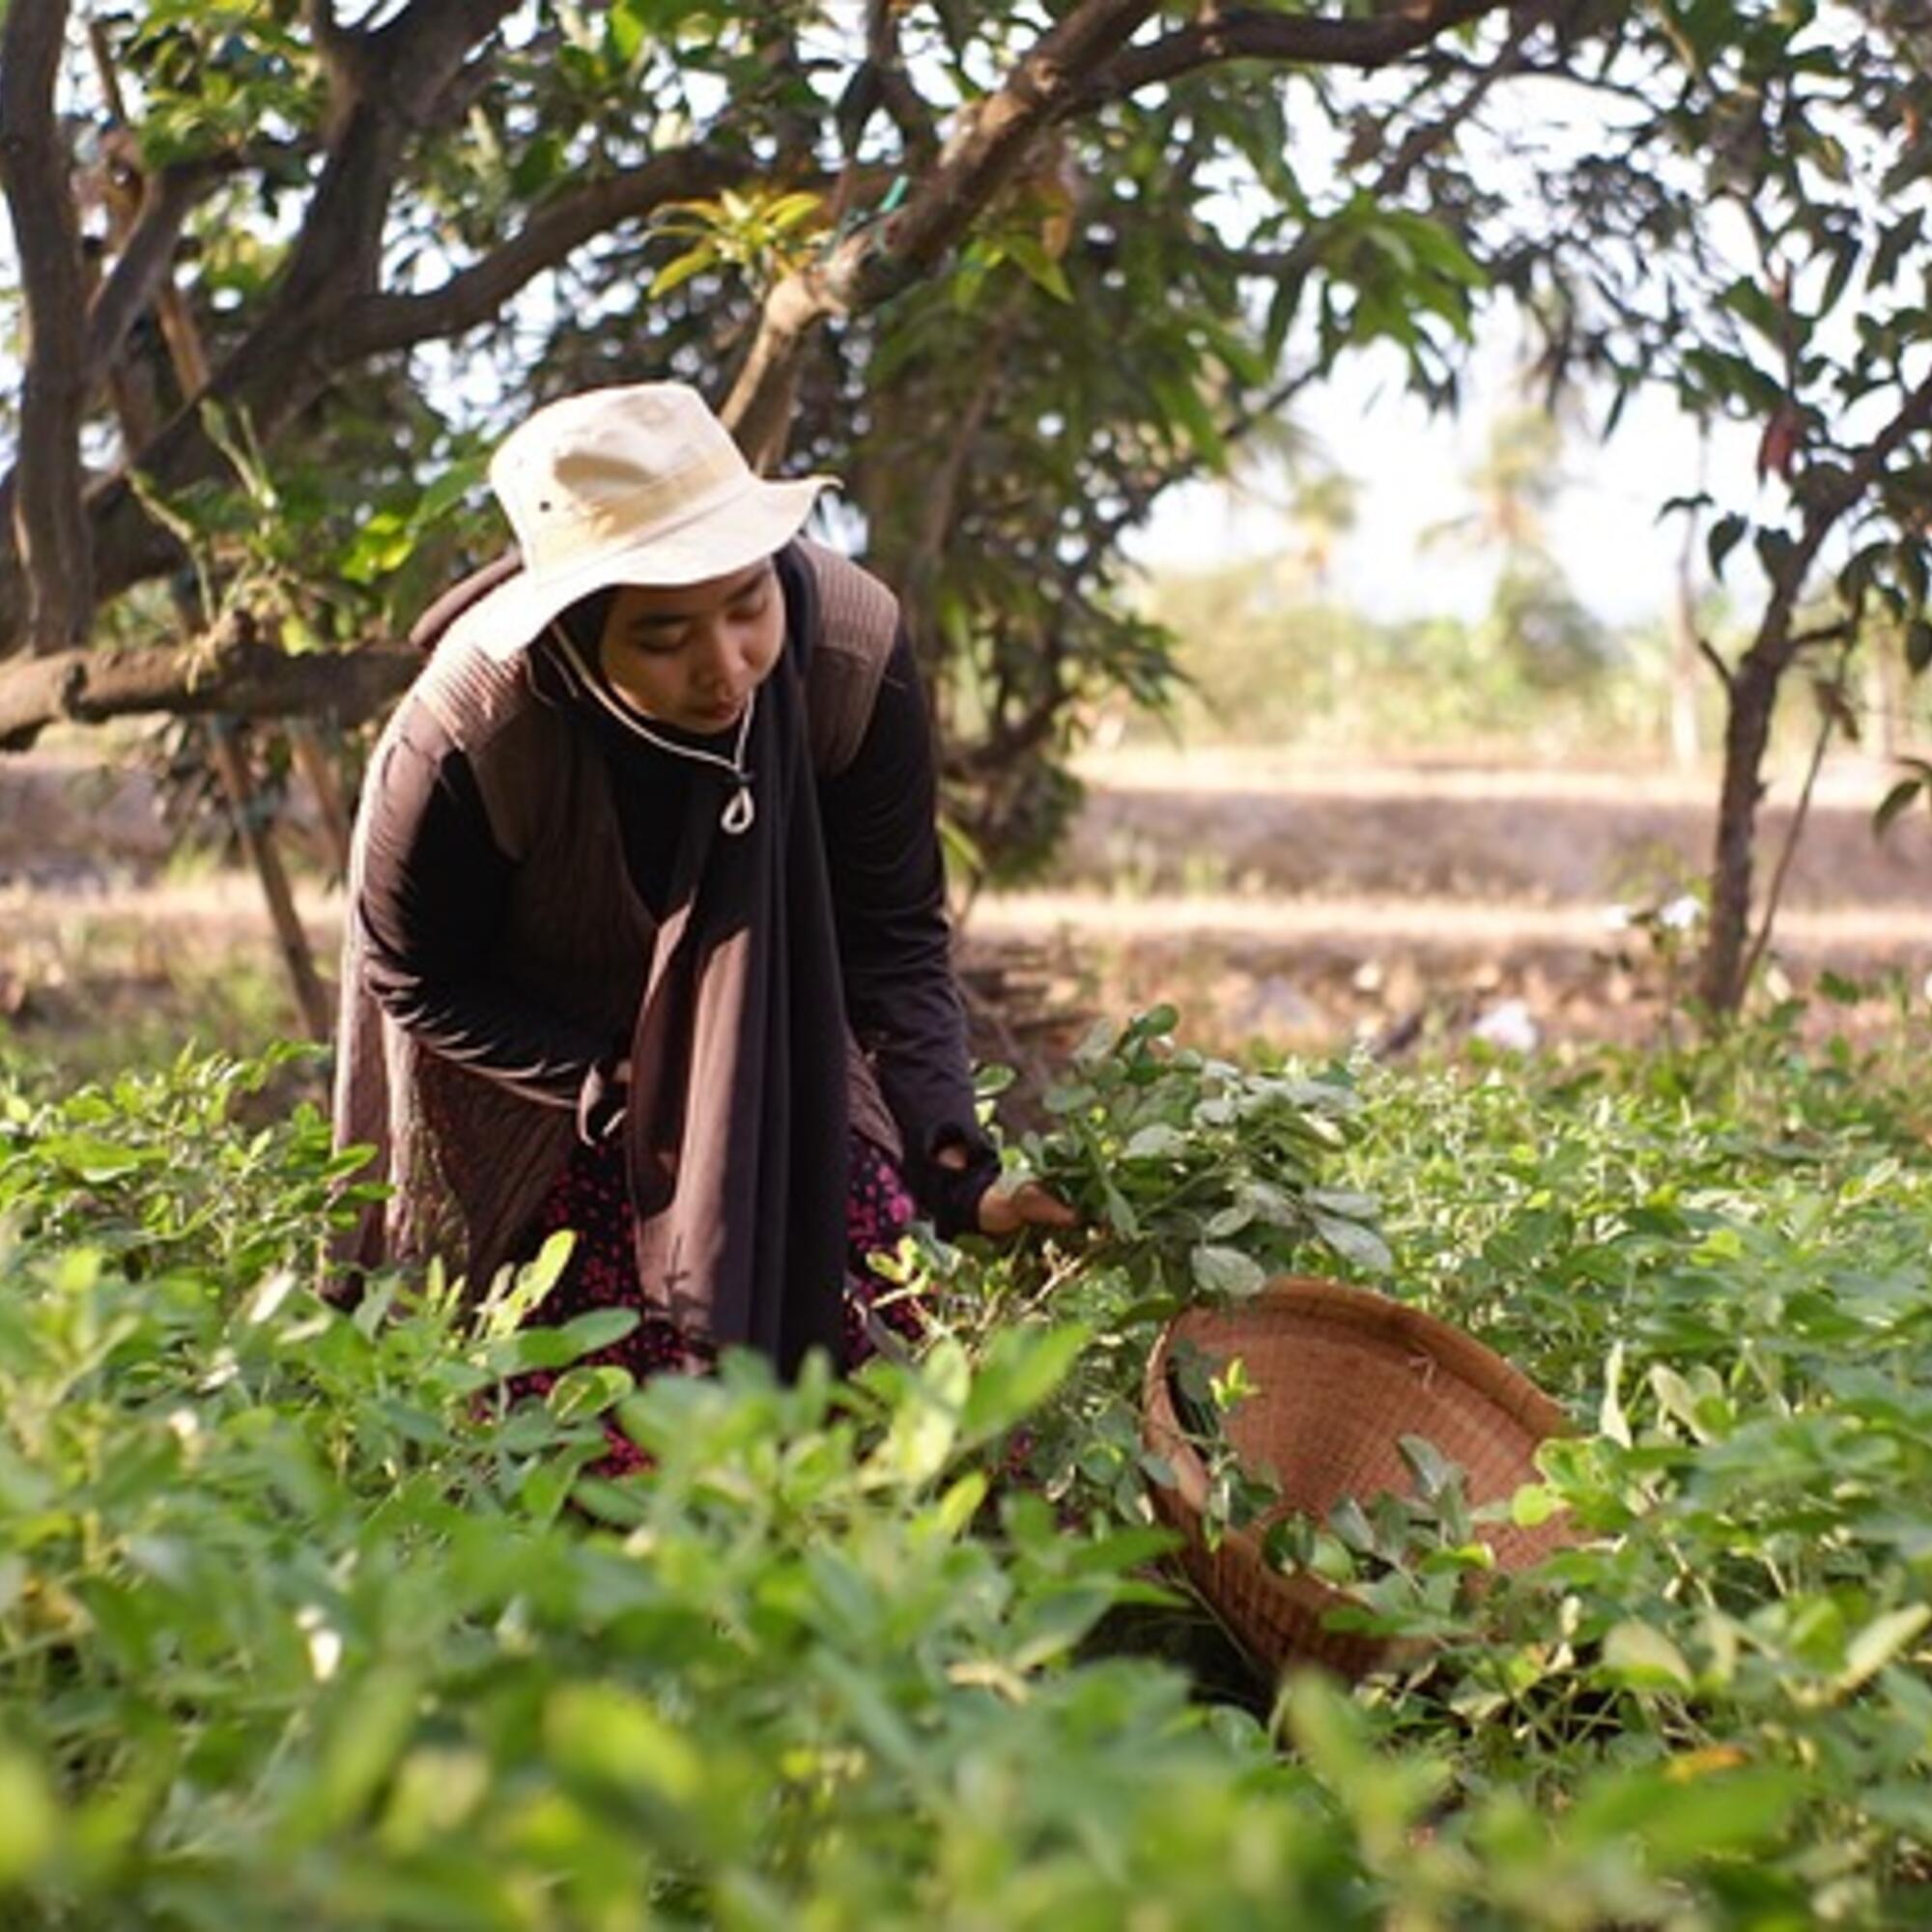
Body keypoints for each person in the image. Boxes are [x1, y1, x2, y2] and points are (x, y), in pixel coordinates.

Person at [332, 382, 1072, 1382]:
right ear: (580, 634)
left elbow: (890, 934)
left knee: (870, 1390)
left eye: (745, 605)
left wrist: (959, 1172)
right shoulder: (471, 734)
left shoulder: (848, 651)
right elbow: (413, 974)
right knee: (576, 1418)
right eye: (662, 637)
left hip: (764, 1035)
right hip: (535, 1066)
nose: (726, 668)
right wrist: (610, 1080)